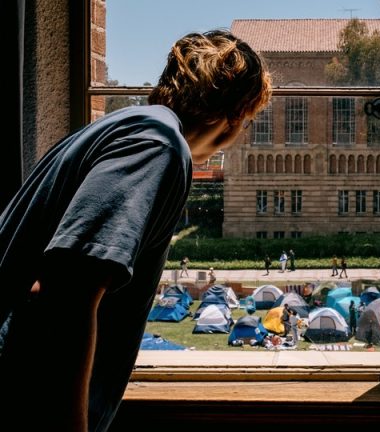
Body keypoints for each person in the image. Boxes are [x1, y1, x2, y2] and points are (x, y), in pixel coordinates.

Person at [0, 30, 271, 431]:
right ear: (236, 115)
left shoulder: (122, 129)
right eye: (248, 120)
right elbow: (66, 292)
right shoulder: (157, 144)